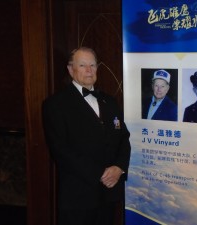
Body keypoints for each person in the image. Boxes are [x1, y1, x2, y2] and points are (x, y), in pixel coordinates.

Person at [42, 47, 131, 225]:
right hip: (78, 197)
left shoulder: (110, 101)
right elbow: (61, 151)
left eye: (93, 65)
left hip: (109, 193)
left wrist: (119, 168)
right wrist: (100, 174)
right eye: (82, 65)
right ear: (70, 70)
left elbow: (123, 138)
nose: (89, 70)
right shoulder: (55, 104)